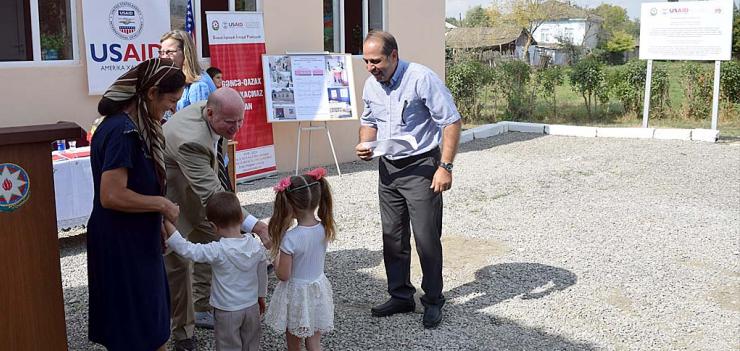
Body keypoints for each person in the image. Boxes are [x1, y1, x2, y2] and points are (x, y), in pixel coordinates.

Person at [354, 30, 462, 329]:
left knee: (426, 238)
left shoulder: (421, 78)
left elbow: (451, 121)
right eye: (366, 61)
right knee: (393, 237)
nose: (370, 67)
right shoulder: (371, 85)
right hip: (388, 168)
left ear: (393, 56)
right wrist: (366, 144)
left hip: (421, 167)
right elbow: (369, 121)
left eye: (376, 61)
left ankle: (433, 300)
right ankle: (400, 295)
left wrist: (446, 167)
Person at [163, 87, 271, 351]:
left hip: (200, 187)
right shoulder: (192, 139)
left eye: (240, 120)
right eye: (230, 123)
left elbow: (214, 182)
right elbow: (212, 194)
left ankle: (203, 306)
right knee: (178, 263)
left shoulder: (217, 113)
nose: (236, 128)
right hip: (174, 193)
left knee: (216, 242)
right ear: (210, 114)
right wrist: (255, 225)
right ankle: (182, 332)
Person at [86, 58, 184, 350]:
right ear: (151, 92)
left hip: (135, 239)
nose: (173, 108)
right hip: (120, 244)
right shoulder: (122, 131)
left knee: (151, 324)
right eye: (171, 100)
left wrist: (158, 219)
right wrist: (162, 205)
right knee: (136, 330)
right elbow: (112, 194)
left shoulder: (135, 127)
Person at [163, 192, 268, 351]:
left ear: (213, 226)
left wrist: (167, 223)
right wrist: (261, 296)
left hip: (227, 310)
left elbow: (187, 249)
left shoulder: (217, 250)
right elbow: (262, 273)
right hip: (251, 306)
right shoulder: (255, 246)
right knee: (251, 344)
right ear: (241, 219)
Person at [264, 168, 335, 351]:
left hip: (296, 295)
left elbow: (283, 275)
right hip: (317, 289)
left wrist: (274, 254)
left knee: (294, 343)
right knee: (314, 340)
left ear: (290, 206)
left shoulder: (290, 238)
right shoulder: (324, 228)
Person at [160, 30, 217, 112]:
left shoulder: (198, 86)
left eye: (169, 52)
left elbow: (197, 122)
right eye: (162, 52)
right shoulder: (180, 80)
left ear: (185, 53)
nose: (164, 57)